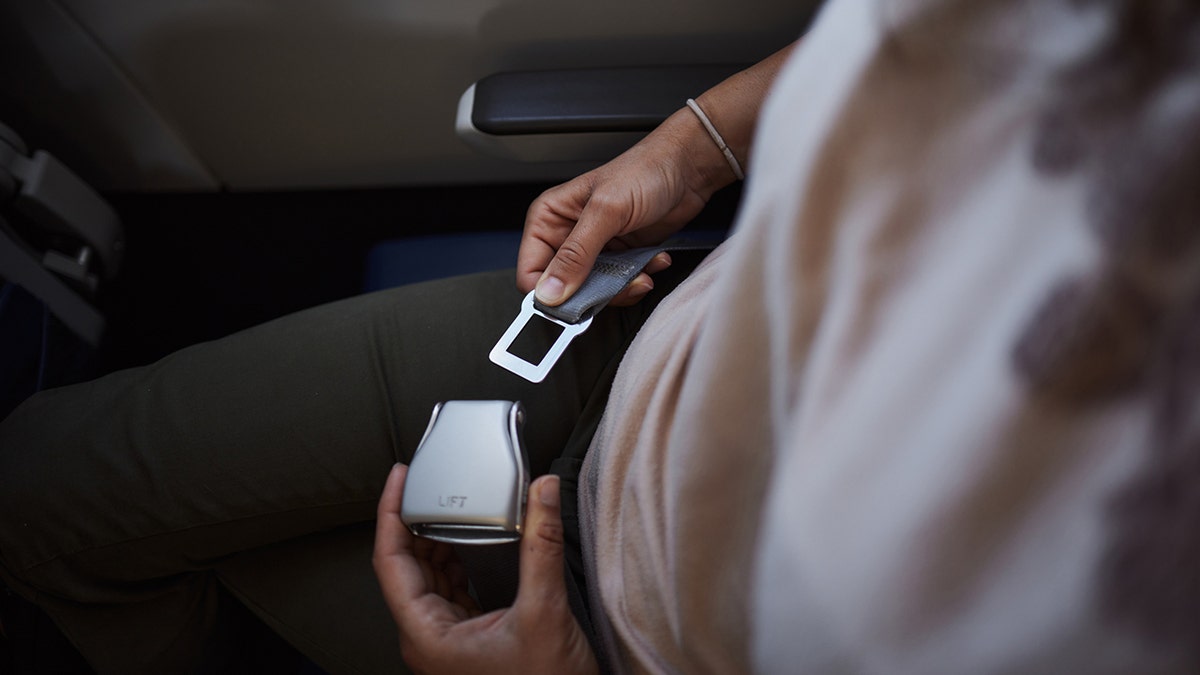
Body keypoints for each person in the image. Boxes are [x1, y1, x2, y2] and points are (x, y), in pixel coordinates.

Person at [4, 0, 1200, 673]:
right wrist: (696, 147)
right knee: (42, 489)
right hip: (620, 354)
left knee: (157, 557)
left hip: (603, 639)